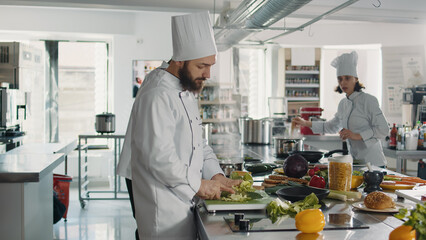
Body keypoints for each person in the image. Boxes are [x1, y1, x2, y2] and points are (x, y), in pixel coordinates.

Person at [116, 11, 241, 239]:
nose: (208, 74)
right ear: (180, 60)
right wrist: (198, 185)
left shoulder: (184, 87)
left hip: (181, 195)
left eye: (211, 65)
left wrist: (216, 176)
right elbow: (159, 158)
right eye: (202, 66)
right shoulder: (158, 94)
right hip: (163, 205)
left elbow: (198, 144)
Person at [292, 51, 389, 167]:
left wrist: (357, 135)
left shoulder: (369, 100)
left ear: (356, 79)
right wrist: (305, 123)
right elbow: (331, 126)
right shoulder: (343, 104)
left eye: (347, 78)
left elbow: (383, 129)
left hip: (374, 163)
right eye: (340, 79)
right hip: (356, 162)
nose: (343, 82)